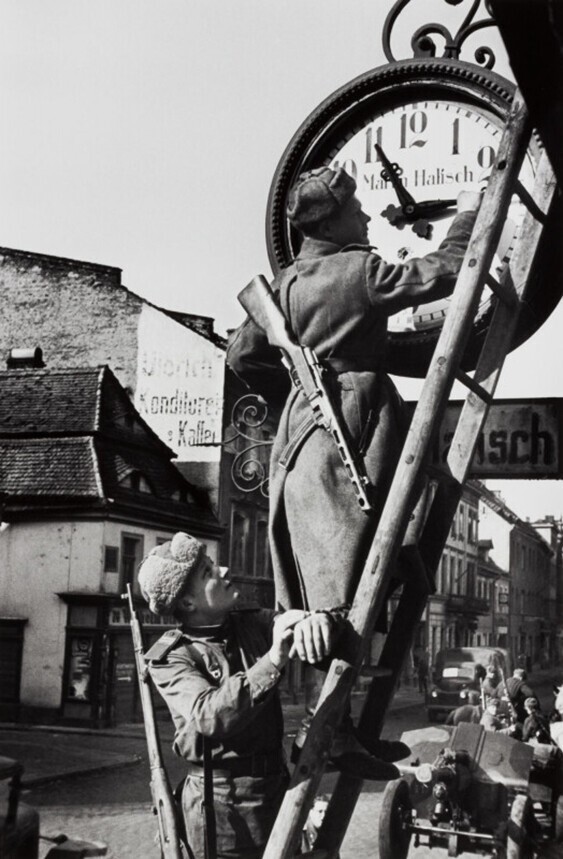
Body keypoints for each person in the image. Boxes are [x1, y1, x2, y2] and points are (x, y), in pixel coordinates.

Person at [227, 166, 481, 754]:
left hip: (300, 445)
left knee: (330, 589)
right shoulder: (357, 270)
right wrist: (468, 212)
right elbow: (442, 272)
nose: (367, 217)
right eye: (357, 208)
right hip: (355, 433)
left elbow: (242, 354)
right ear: (333, 218)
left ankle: (336, 730)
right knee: (355, 585)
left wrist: (297, 389)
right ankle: (330, 735)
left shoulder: (286, 283)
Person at [138, 532, 397, 859]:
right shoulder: (173, 657)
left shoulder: (250, 624)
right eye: (208, 572)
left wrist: (313, 620)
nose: (224, 570)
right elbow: (210, 715)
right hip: (221, 812)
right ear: (188, 603)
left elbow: (287, 621)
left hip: (277, 793)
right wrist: (273, 658)